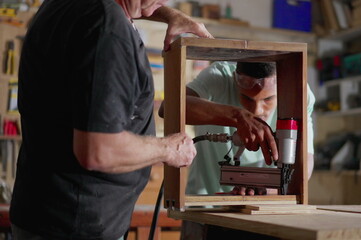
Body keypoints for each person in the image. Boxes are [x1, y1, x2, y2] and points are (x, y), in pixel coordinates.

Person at [10, 0, 212, 240]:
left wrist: (168, 14)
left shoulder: (65, 5)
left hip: (43, 214)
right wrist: (169, 149)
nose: (166, 1)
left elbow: (134, 4)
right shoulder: (107, 27)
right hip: (77, 226)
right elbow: (99, 150)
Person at [160, 61, 315, 240]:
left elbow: (304, 166)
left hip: (267, 211)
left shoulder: (298, 92)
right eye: (247, 98)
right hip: (205, 211)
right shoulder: (220, 76)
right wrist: (237, 116)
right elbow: (168, 107)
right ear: (235, 80)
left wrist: (265, 190)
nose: (257, 110)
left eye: (268, 99)